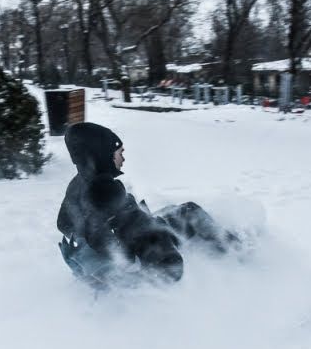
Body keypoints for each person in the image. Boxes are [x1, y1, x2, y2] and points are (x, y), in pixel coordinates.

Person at [57, 122, 238, 287]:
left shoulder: (79, 183)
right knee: (190, 210)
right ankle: (236, 250)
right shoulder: (105, 189)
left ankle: (220, 244)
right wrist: (138, 261)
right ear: (103, 155)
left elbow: (64, 223)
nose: (123, 159)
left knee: (170, 210)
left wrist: (86, 245)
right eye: (119, 153)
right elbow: (122, 231)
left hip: (128, 239)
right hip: (146, 246)